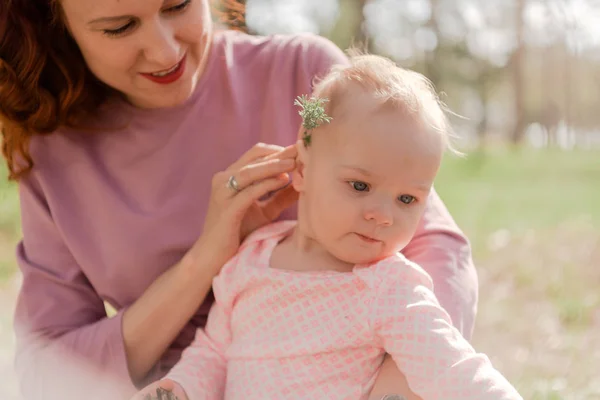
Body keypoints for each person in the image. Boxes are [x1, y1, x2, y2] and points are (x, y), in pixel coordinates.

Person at [0, 0, 478, 399]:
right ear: (57, 24)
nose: (165, 49)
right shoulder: (54, 150)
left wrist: (396, 386)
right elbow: (46, 369)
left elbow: (437, 247)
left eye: (178, 5)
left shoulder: (304, 76)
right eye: (120, 27)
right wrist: (206, 259)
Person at [133, 54, 521, 400]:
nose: (383, 215)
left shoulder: (387, 286)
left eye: (407, 199)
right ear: (302, 168)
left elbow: (451, 367)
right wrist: (177, 389)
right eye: (360, 186)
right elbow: (214, 354)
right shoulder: (251, 257)